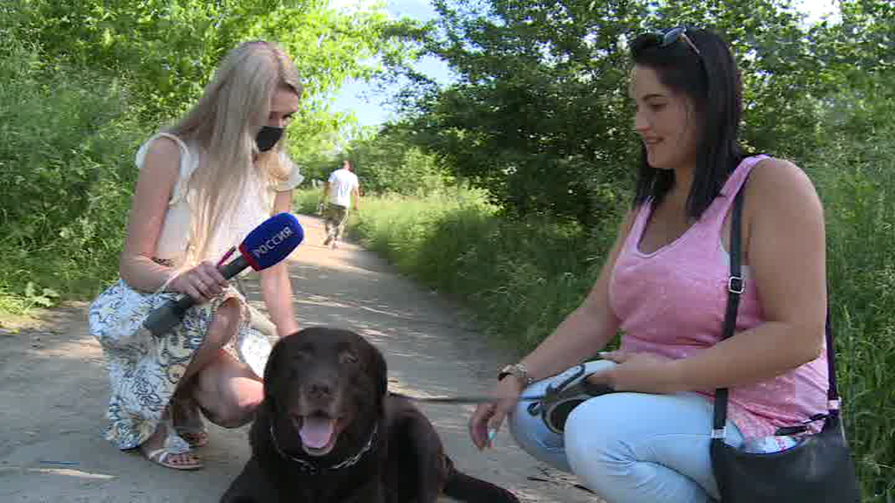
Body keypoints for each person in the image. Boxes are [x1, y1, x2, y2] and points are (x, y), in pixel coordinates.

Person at [468, 26, 830, 502]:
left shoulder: (770, 185)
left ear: (709, 103)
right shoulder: (648, 204)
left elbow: (798, 335)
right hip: (660, 395)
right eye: (637, 107)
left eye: (656, 106)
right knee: (532, 415)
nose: (640, 122)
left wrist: (667, 376)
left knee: (599, 433)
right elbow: (599, 312)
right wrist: (516, 377)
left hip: (753, 411)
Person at [88, 41, 304, 471]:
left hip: (213, 313)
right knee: (222, 311)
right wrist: (179, 279)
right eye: (268, 116)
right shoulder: (172, 151)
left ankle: (177, 389)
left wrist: (295, 341)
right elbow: (133, 263)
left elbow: (274, 275)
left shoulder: (279, 171)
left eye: (287, 117)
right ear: (233, 105)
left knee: (244, 405)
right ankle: (147, 418)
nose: (278, 127)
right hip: (152, 301)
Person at [320, 159, 360, 249]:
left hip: (333, 201)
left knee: (328, 220)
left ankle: (330, 233)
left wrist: (323, 198)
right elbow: (356, 192)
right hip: (345, 203)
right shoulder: (353, 176)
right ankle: (336, 241)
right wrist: (356, 204)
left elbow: (328, 186)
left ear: (340, 165)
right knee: (340, 223)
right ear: (348, 166)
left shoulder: (335, 173)